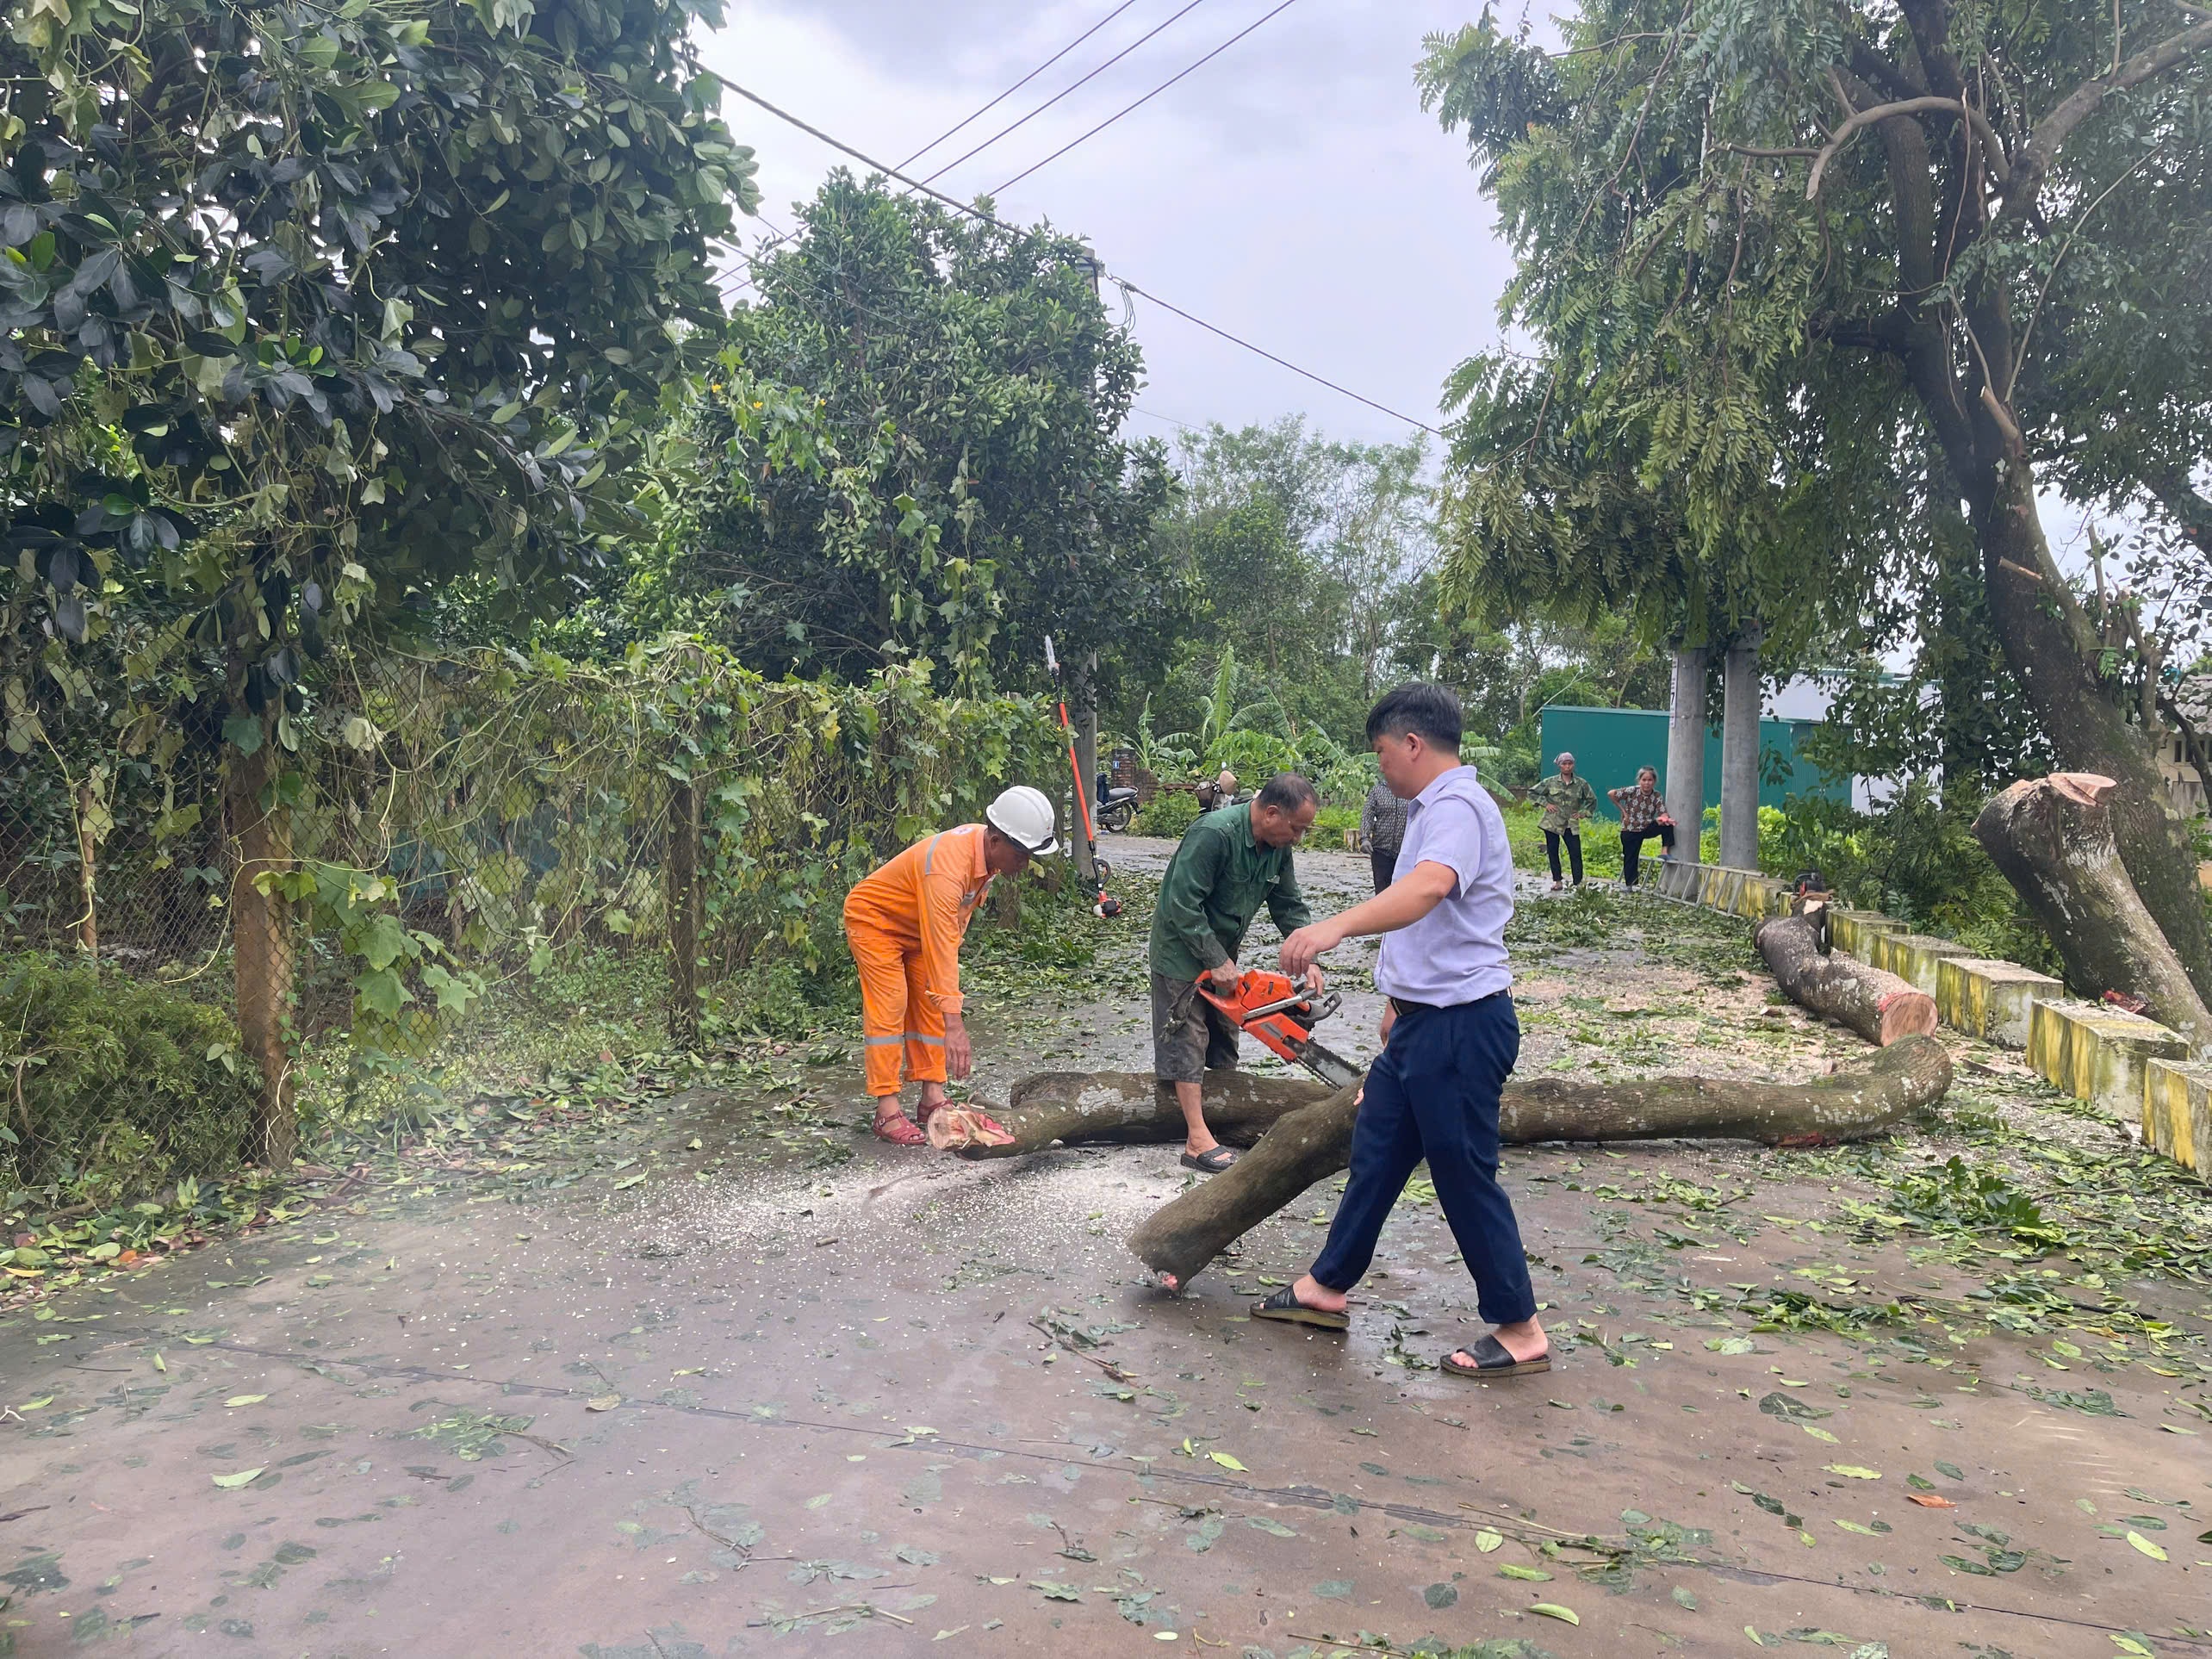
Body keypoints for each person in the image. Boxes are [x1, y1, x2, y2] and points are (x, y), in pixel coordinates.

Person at [1259, 682, 1549, 1379]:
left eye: (1382, 752)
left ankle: (1520, 1327)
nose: (1380, 766)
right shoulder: (1434, 808)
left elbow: (1426, 890)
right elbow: (1432, 923)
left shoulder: (1456, 806)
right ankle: (1327, 1284)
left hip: (1461, 1026)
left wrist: (1333, 926)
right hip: (1425, 1022)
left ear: (1413, 743)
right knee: (1380, 1146)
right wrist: (1398, 1005)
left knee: (1462, 1173)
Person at [842, 786, 1059, 1146]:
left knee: (930, 1003)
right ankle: (886, 1109)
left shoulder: (985, 858)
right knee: (891, 1004)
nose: (1025, 862)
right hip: (876, 921)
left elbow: (950, 932)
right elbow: (942, 944)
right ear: (995, 840)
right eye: (1021, 853)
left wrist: (945, 1002)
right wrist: (955, 1023)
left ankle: (932, 1098)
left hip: (917, 929)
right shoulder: (947, 869)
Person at [1148, 773, 1320, 1173]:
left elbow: (1288, 904)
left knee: (1225, 1037)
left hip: (1223, 949)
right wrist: (1213, 958)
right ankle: (1195, 1139)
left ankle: (1221, 1116)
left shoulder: (1278, 847)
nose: (1298, 837)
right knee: (1187, 1037)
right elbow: (1181, 903)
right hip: (1181, 948)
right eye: (1296, 828)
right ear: (1272, 813)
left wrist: (1309, 957)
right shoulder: (1213, 834)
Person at [1528, 751, 1597, 890]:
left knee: (1575, 852)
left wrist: (1584, 813)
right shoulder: (1550, 782)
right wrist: (1546, 804)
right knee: (1553, 851)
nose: (1567, 766)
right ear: (1560, 766)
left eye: (1570, 763)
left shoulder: (1581, 784)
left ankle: (1578, 883)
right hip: (1552, 822)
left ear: (1573, 765)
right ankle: (1557, 881)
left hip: (1570, 823)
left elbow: (1592, 800)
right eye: (1564, 764)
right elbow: (1531, 792)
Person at [1607, 764, 1675, 890]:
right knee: (1631, 857)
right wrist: (1623, 811)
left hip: (1646, 827)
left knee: (1667, 825)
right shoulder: (1632, 791)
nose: (1647, 783)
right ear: (1639, 781)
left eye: (1650, 780)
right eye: (1644, 780)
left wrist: (1665, 818)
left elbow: (1662, 811)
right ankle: (1630, 886)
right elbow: (1612, 794)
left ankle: (1664, 851)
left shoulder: (1657, 795)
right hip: (1630, 829)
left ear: (1654, 781)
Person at [1359, 775, 1407, 895]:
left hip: (1405, 851)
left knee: (1402, 892)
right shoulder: (1378, 791)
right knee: (1382, 891)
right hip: (1381, 850)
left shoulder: (1411, 791)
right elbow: (1367, 815)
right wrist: (1365, 838)